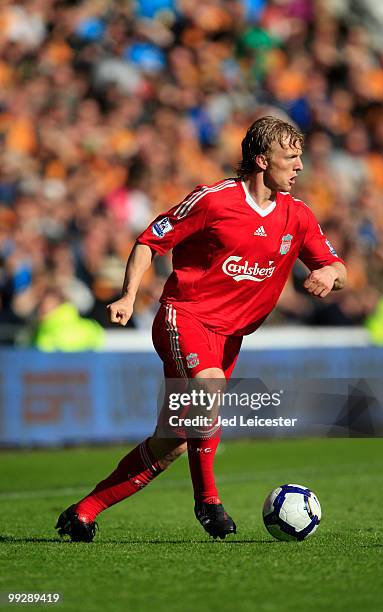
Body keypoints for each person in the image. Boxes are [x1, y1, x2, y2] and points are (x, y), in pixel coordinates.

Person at [56, 116, 346, 542]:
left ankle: (83, 511)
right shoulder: (213, 200)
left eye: (301, 156)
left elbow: (337, 267)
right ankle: (208, 501)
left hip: (229, 338)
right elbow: (149, 240)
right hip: (184, 317)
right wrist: (127, 296)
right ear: (263, 161)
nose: (300, 166)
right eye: (292, 157)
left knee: (172, 440)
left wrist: (329, 275)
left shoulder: (297, 215)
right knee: (209, 391)